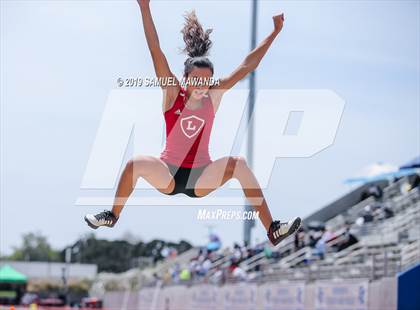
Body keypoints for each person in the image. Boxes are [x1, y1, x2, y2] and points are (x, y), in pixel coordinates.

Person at [84, 0, 301, 246]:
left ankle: (272, 228)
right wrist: (144, 7)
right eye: (196, 80)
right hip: (168, 173)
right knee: (134, 164)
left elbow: (247, 65)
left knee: (238, 164)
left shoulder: (213, 96)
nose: (202, 85)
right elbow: (156, 51)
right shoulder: (173, 93)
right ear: (185, 78)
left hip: (201, 177)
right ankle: (112, 215)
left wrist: (274, 33)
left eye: (207, 80)